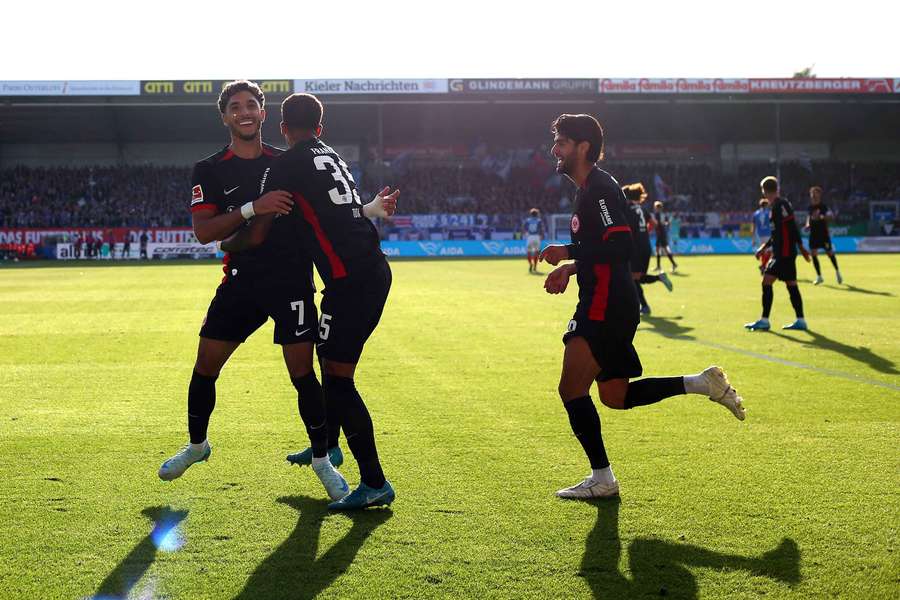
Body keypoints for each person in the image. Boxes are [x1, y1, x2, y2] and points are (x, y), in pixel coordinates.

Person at [157, 80, 361, 502]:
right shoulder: (210, 169)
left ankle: (322, 460)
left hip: (291, 280)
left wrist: (372, 208)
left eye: (252, 105)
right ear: (225, 116)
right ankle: (197, 445)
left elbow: (328, 211)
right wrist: (254, 208)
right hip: (241, 283)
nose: (245, 112)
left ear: (265, 114)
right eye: (236, 107)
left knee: (303, 375)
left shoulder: (289, 161)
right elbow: (203, 232)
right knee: (205, 366)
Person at [539, 114, 745, 500]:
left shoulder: (599, 189)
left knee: (571, 388)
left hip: (605, 303)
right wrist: (572, 263)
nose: (555, 150)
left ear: (583, 147)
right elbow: (605, 248)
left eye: (562, 143)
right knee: (615, 396)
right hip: (608, 301)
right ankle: (702, 383)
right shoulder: (589, 189)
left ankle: (603, 479)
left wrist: (569, 254)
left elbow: (620, 246)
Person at [224, 92, 399, 510]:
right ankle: (331, 448)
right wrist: (372, 207)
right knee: (328, 361)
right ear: (319, 129)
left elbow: (261, 231)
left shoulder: (285, 165)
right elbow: (343, 211)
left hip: (350, 281)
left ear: (283, 129)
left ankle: (374, 482)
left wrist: (227, 238)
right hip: (368, 270)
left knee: (338, 380)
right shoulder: (331, 155)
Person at [745, 177, 811, 331]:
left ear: (764, 191)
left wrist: (770, 249)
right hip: (786, 251)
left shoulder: (778, 206)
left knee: (766, 282)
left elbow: (784, 230)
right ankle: (800, 320)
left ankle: (764, 320)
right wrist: (799, 246)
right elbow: (789, 228)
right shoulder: (782, 204)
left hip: (783, 253)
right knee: (791, 284)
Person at [622, 183, 672, 316]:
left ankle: (644, 306)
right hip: (645, 246)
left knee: (632, 278)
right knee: (637, 278)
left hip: (635, 248)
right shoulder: (642, 209)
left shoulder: (626, 208)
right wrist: (644, 233)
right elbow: (654, 224)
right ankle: (659, 278)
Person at [805, 186, 842, 285]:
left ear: (819, 195)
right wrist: (807, 225)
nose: (813, 195)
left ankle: (837, 272)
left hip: (823, 235)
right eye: (811, 194)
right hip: (813, 234)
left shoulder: (824, 207)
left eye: (815, 193)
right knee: (813, 254)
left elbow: (831, 216)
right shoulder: (810, 207)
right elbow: (809, 217)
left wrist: (822, 216)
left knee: (830, 253)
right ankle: (819, 276)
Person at [652, 200, 677, 273]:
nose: (654, 208)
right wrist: (666, 223)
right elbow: (665, 223)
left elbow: (658, 223)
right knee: (661, 249)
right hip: (662, 233)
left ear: (657, 207)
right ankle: (659, 266)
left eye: (655, 207)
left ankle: (672, 264)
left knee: (663, 249)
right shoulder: (662, 214)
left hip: (660, 234)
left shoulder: (657, 214)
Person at [751, 198, 772, 274]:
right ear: (766, 205)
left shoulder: (755, 213)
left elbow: (753, 226)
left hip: (759, 235)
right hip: (768, 234)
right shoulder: (768, 213)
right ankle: (763, 265)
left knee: (763, 251)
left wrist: (753, 237)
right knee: (770, 251)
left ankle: (763, 267)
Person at [523, 208, 545, 273]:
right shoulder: (539, 220)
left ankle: (530, 264)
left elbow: (524, 228)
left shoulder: (527, 220)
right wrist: (542, 236)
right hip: (537, 237)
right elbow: (542, 229)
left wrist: (526, 233)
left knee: (529, 252)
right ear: (537, 214)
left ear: (531, 214)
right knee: (536, 252)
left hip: (530, 237)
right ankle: (535, 267)